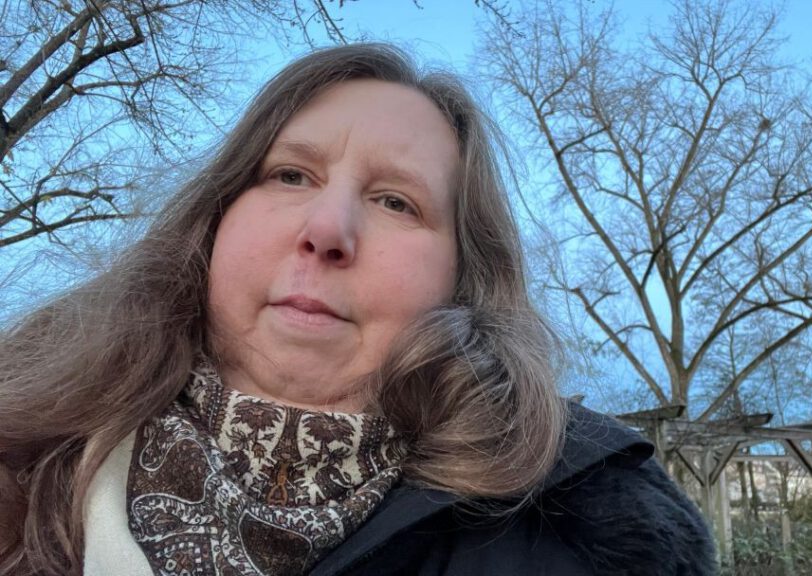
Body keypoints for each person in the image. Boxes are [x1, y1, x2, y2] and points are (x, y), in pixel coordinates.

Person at [0, 44, 715, 576]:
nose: (327, 229)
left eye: (396, 201)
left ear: (463, 281)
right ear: (213, 222)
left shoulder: (586, 535)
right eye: (290, 175)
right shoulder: (22, 459)